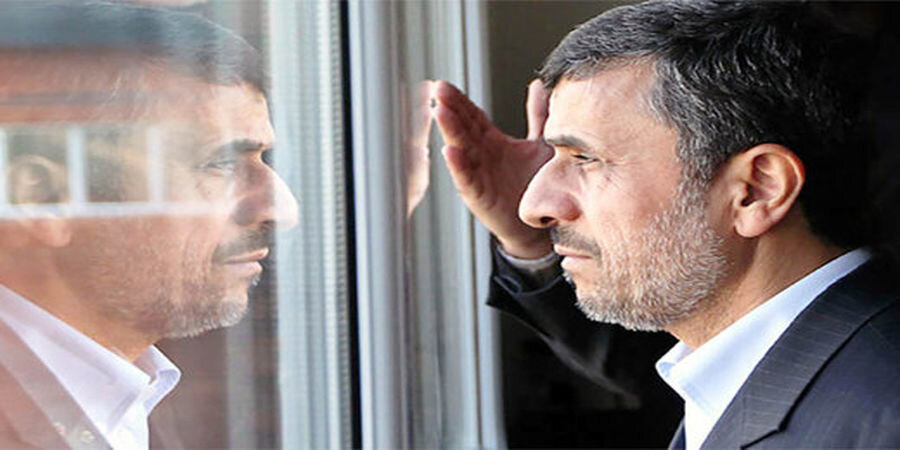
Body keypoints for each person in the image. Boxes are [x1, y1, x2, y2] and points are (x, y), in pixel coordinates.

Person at [432, 1, 899, 449]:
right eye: (556, 157)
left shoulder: (884, 414)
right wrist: (535, 243)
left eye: (585, 158)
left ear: (756, 189)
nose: (532, 206)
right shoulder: (745, 363)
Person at [0, 3, 298, 449]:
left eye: (262, 159)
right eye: (219, 163)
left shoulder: (121, 391)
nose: (282, 210)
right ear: (40, 200)